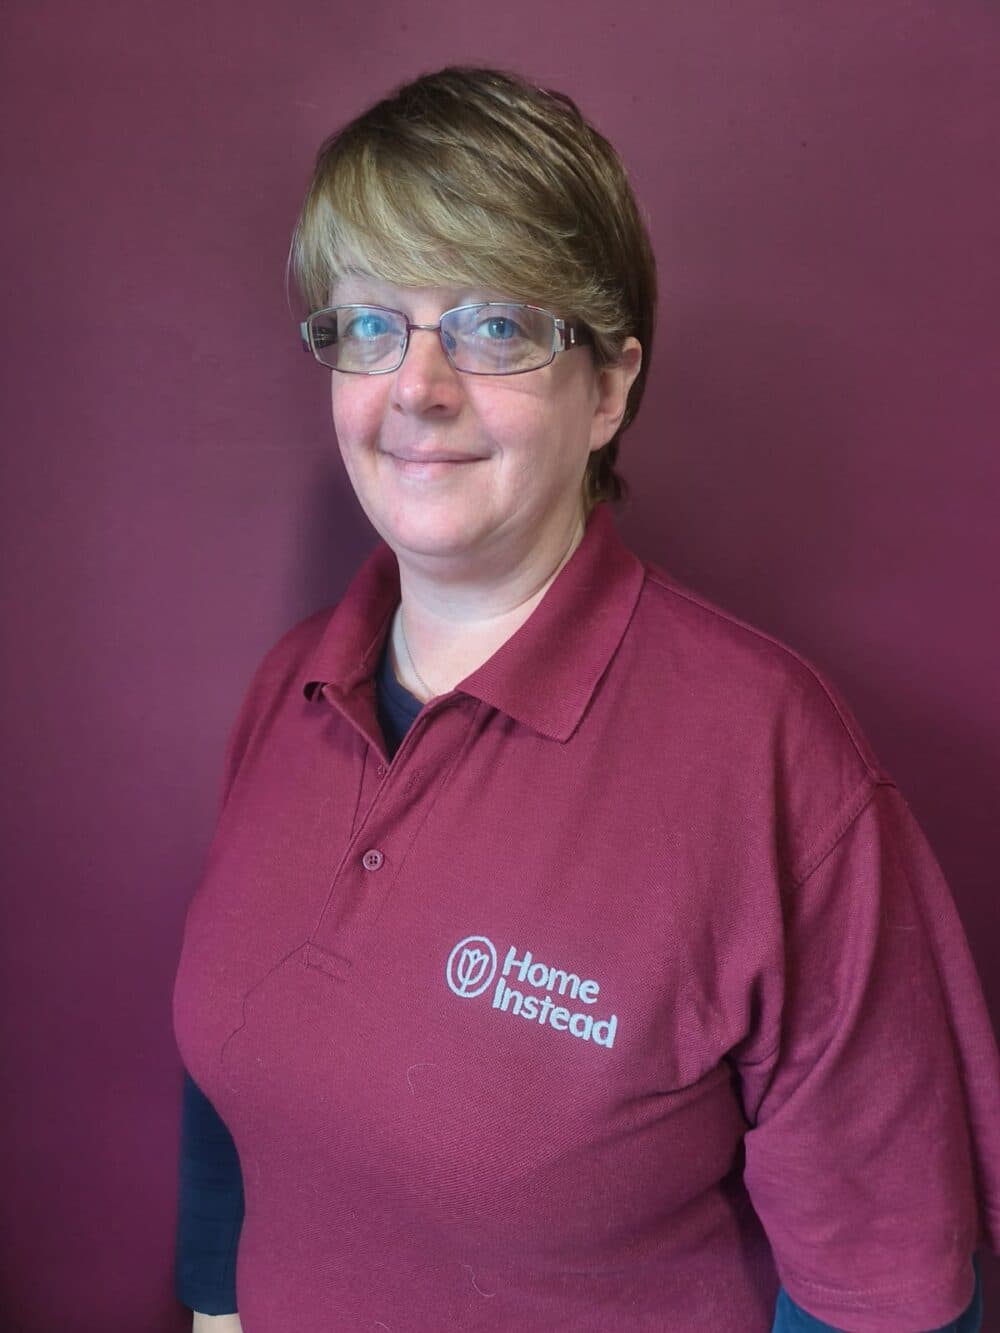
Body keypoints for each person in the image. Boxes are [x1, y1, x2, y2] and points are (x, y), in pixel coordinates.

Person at [172, 66, 1000, 1332]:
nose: (418, 387)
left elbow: (884, 1291)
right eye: (372, 323)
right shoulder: (289, 690)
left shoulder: (770, 759)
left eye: (496, 326)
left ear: (607, 387)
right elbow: (228, 1085)